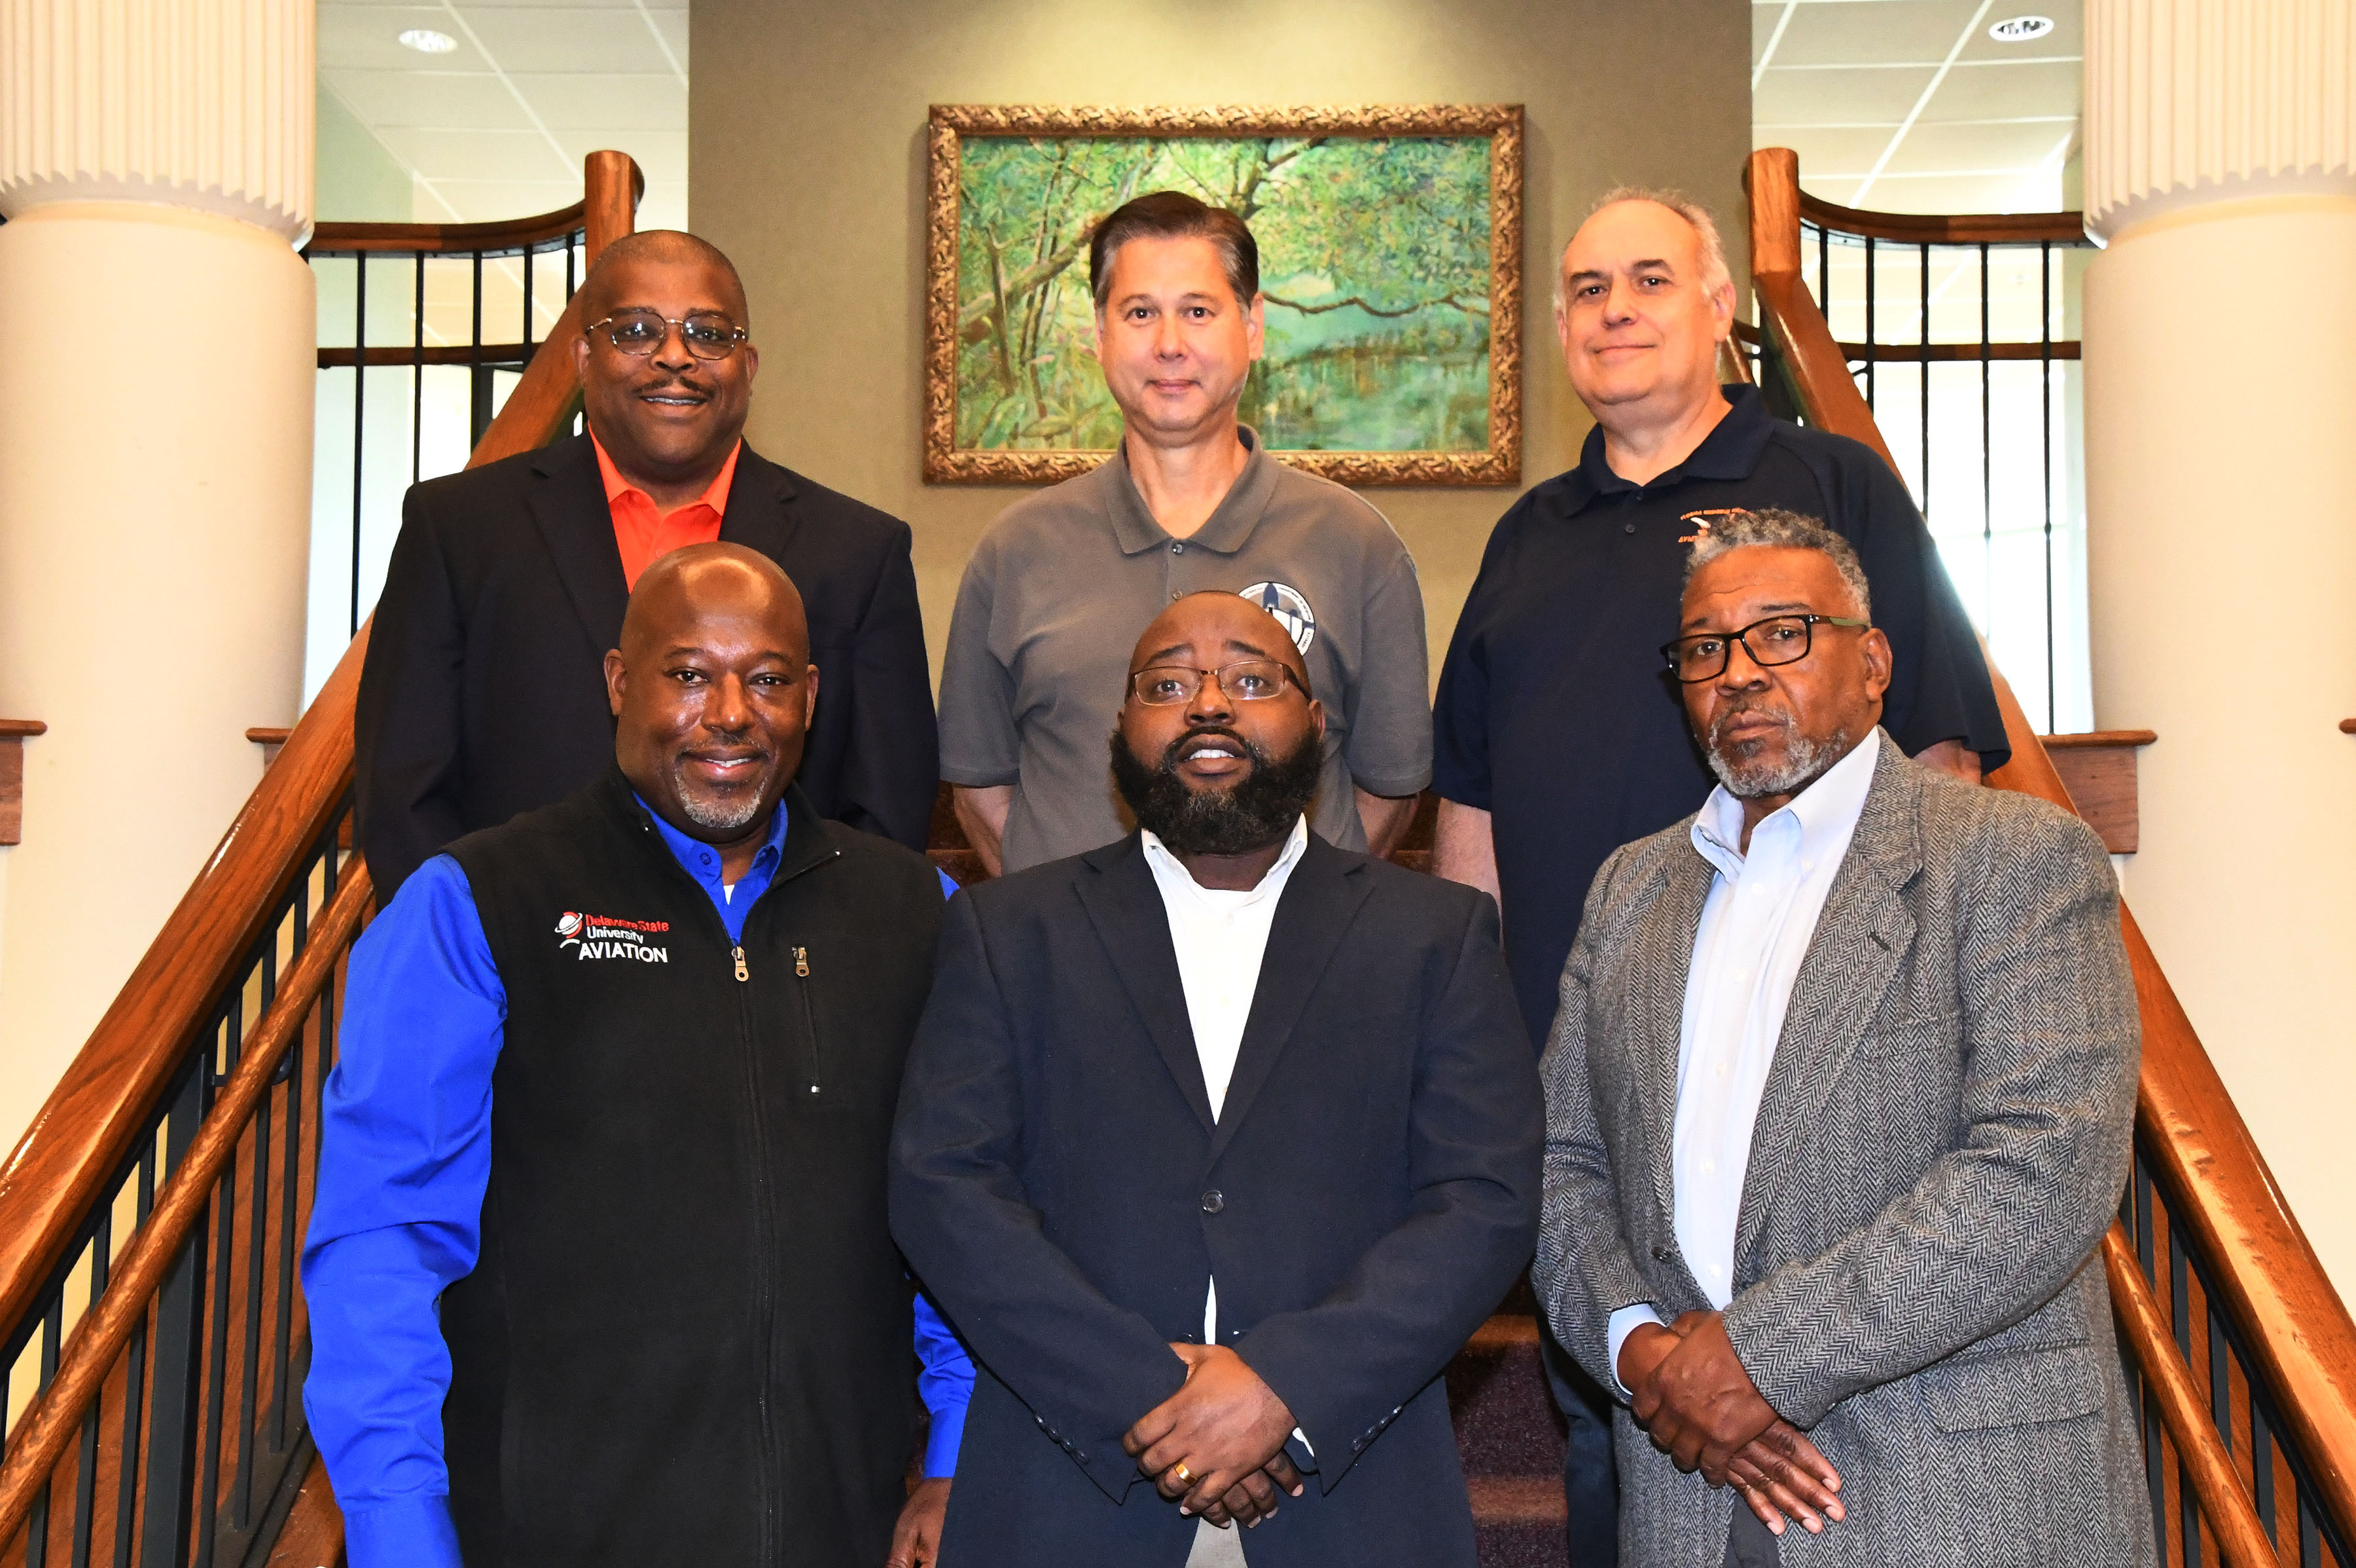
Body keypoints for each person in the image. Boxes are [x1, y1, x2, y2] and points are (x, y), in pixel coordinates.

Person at [1429, 188, 2012, 1559]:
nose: (1613, 309)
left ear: (1719, 311)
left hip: (1830, 1085)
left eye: (1647, 279)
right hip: (1608, 1089)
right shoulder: (1527, 537)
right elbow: (1469, 802)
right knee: (1610, 1445)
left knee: (1853, 1455)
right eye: (1585, 288)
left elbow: (1939, 750)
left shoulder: (1833, 482)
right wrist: (1480, 1052)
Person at [306, 544, 971, 1568]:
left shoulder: (916, 912)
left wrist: (957, 1460)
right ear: (622, 682)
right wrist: (399, 1530)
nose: (731, 714)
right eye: (689, 674)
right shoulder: (475, 903)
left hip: (845, 1528)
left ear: (811, 698)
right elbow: (382, 1242)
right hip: (544, 1529)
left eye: (768, 680)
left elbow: (965, 1217)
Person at [1533, 510, 2150, 1567]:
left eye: (1782, 633)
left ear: (1872, 664)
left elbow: (2044, 1170)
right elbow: (1561, 1164)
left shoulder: (2014, 859)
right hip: (1690, 1496)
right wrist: (1642, 1350)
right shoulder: (1631, 888)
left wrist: (1758, 1360)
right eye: (1705, 649)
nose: (1737, 673)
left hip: (1956, 1497)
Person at [892, 591, 1541, 1567]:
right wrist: (1141, 1395)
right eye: (1166, 683)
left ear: (1315, 722)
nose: (1208, 703)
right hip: (1068, 1492)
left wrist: (1286, 1387)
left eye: (1250, 679)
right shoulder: (1007, 932)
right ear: (1121, 728)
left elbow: (1484, 1199)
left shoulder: (1435, 937)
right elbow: (943, 1187)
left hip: (1347, 1495)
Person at [356, 229, 937, 901]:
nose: (673, 356)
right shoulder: (459, 530)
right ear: (583, 357)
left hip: (777, 979)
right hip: (526, 976)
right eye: (635, 330)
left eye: (708, 335)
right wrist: (480, 955)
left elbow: (887, 811)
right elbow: (403, 790)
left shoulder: (859, 552)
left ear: (747, 366)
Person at [937, 191, 1432, 878]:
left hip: (1297, 970)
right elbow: (981, 791)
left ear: (1253, 326)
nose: (1170, 344)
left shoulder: (1358, 545)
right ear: (1099, 334)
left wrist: (1292, 919)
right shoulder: (1013, 551)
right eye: (1140, 313)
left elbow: (1389, 791)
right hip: (1071, 969)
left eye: (1198, 311)